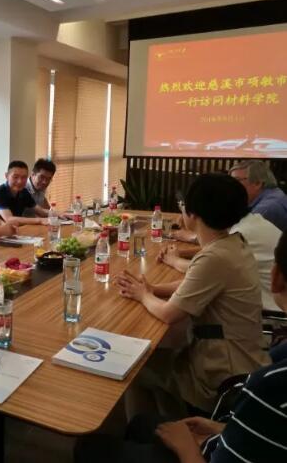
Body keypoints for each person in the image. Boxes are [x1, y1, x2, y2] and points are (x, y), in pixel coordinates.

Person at [75, 231, 287, 463]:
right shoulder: (236, 245)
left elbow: (169, 313)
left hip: (220, 381)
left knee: (90, 444)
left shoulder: (269, 387)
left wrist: (184, 444)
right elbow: (198, 280)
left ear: (276, 276)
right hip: (230, 414)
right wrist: (222, 428)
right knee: (141, 421)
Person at [116, 174, 269, 417]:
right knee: (156, 358)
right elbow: (194, 284)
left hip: (223, 372)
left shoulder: (214, 257)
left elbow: (169, 314)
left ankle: (155, 431)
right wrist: (153, 289)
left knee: (135, 368)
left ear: (193, 213)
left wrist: (143, 295)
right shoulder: (233, 243)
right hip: (245, 354)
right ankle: (169, 420)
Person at [159, 207, 282, 312]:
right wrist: (181, 253)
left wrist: (174, 261)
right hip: (263, 302)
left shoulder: (242, 234)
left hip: (271, 312)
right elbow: (212, 255)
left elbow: (206, 268)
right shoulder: (251, 222)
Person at [229, 160, 287, 231]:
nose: (230, 185)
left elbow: (239, 233)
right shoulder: (274, 193)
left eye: (236, 180)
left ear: (257, 183)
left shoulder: (266, 208)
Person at [0, 160, 49, 224]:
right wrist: (40, 220)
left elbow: (41, 211)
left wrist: (56, 214)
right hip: (1, 229)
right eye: (15, 177)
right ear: (6, 176)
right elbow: (9, 219)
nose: (20, 181)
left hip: (17, 228)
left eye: (24, 177)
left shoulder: (24, 191)